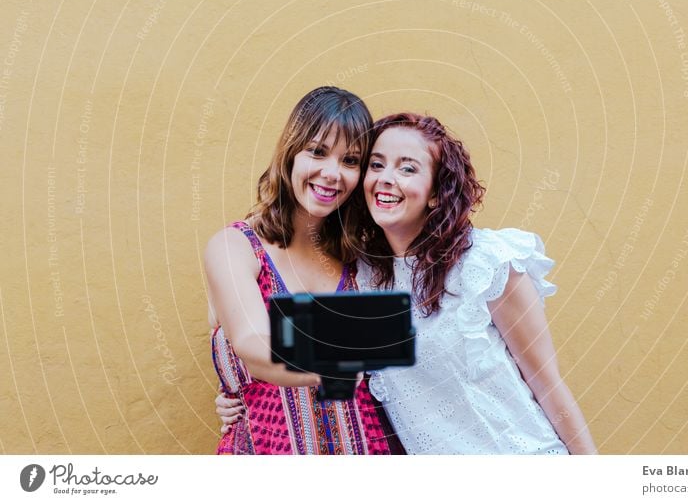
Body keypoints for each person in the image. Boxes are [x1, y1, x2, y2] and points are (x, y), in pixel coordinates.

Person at [217, 111, 596, 455]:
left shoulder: (485, 263)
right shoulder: (359, 274)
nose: (386, 179)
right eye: (376, 165)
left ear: (435, 193)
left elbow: (548, 384)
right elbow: (272, 337)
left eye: (408, 168)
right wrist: (237, 392)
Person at [205, 86, 399, 455]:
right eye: (318, 152)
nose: (332, 173)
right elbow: (253, 343)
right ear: (291, 152)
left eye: (351, 160)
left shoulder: (365, 261)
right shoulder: (235, 248)